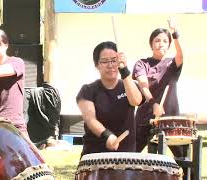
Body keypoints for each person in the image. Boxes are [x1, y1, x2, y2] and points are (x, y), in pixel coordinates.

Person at [76, 41, 142, 156]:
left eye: (114, 60)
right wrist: (107, 135)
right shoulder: (87, 90)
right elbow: (90, 119)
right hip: (95, 156)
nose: (110, 65)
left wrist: (125, 70)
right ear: (97, 65)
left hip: (127, 156)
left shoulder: (129, 85)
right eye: (104, 61)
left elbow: (136, 101)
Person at [132, 18, 185, 157]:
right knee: (130, 154)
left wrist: (174, 33)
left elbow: (181, 55)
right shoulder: (142, 64)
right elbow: (144, 87)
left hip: (170, 119)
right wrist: (153, 104)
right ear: (151, 44)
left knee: (182, 157)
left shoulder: (173, 64)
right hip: (145, 118)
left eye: (165, 41)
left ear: (169, 45)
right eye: (157, 40)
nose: (160, 44)